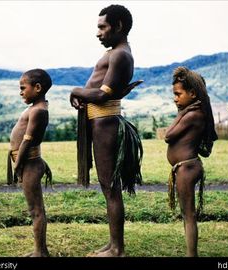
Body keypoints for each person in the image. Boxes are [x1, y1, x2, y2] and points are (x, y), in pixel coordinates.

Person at [69, 4, 143, 257]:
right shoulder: (116, 52)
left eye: (102, 27)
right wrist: (83, 98)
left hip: (106, 124)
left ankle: (118, 249)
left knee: (110, 187)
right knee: (107, 187)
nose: (98, 33)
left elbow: (102, 94)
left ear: (118, 26)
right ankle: (113, 244)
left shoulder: (120, 54)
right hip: (99, 122)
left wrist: (76, 91)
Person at [165, 66, 217, 257]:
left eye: (178, 94)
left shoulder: (193, 114)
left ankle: (191, 254)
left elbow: (169, 136)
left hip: (187, 168)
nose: (175, 99)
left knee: (189, 215)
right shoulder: (193, 111)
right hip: (185, 168)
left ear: (193, 93)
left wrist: (181, 113)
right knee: (188, 214)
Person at [7, 69, 52, 257]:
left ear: (38, 88)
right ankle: (39, 250)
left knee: (36, 210)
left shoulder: (38, 111)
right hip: (30, 163)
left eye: (23, 88)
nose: (20, 92)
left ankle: (40, 252)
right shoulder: (35, 108)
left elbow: (28, 140)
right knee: (34, 208)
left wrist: (18, 166)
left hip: (29, 165)